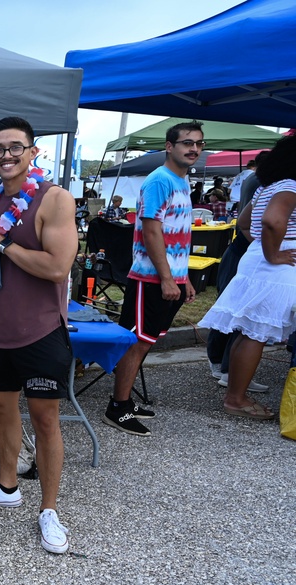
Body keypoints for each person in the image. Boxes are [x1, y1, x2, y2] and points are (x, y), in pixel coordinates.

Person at [0, 116, 78, 555]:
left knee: (45, 421)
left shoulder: (54, 200)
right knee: (3, 412)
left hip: (41, 331)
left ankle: (48, 510)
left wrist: (4, 245)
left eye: (15, 147)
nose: (7, 154)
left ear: (33, 152)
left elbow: (57, 267)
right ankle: (7, 488)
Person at [103, 121, 202, 437]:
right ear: (169, 146)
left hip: (165, 278)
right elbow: (151, 230)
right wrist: (166, 278)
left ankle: (125, 399)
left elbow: (177, 238)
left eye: (199, 144)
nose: (194, 149)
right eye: (187, 142)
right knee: (137, 342)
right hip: (150, 279)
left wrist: (181, 277)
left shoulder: (181, 181)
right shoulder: (160, 180)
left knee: (146, 341)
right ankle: (117, 407)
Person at [199, 135, 296, 419]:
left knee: (250, 332)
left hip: (257, 263)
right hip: (274, 267)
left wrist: (261, 247)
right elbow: (271, 221)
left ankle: (235, 395)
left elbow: (243, 222)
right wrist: (274, 252)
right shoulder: (291, 187)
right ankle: (236, 399)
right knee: (256, 334)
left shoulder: (269, 187)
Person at [205, 151, 270, 391]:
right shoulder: (264, 183)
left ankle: (222, 365)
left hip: (241, 250)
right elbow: (247, 223)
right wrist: (268, 248)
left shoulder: (255, 181)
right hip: (246, 253)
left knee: (230, 309)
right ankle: (227, 368)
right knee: (237, 312)